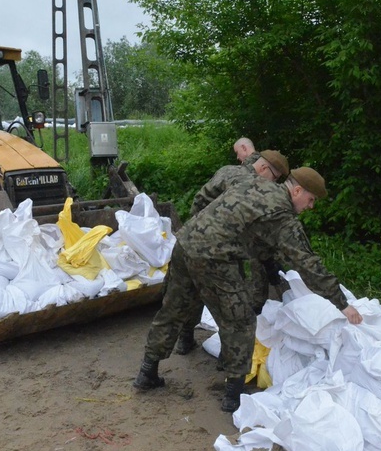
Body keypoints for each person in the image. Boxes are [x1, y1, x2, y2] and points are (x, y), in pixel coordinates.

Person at [133, 166, 362, 413]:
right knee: (240, 322)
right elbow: (308, 263)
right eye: (311, 200)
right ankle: (233, 394)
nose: (311, 207)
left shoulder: (252, 182)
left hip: (186, 244)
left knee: (172, 309)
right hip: (215, 258)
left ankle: (147, 372)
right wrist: (342, 304)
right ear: (297, 191)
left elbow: (219, 201)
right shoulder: (283, 216)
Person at [174, 150, 290, 356]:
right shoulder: (251, 186)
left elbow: (199, 200)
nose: (274, 182)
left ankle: (185, 338)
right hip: (224, 249)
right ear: (263, 168)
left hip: (196, 241)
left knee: (194, 292)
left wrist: (198, 227)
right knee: (229, 302)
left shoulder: (226, 171)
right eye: (274, 177)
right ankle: (229, 356)